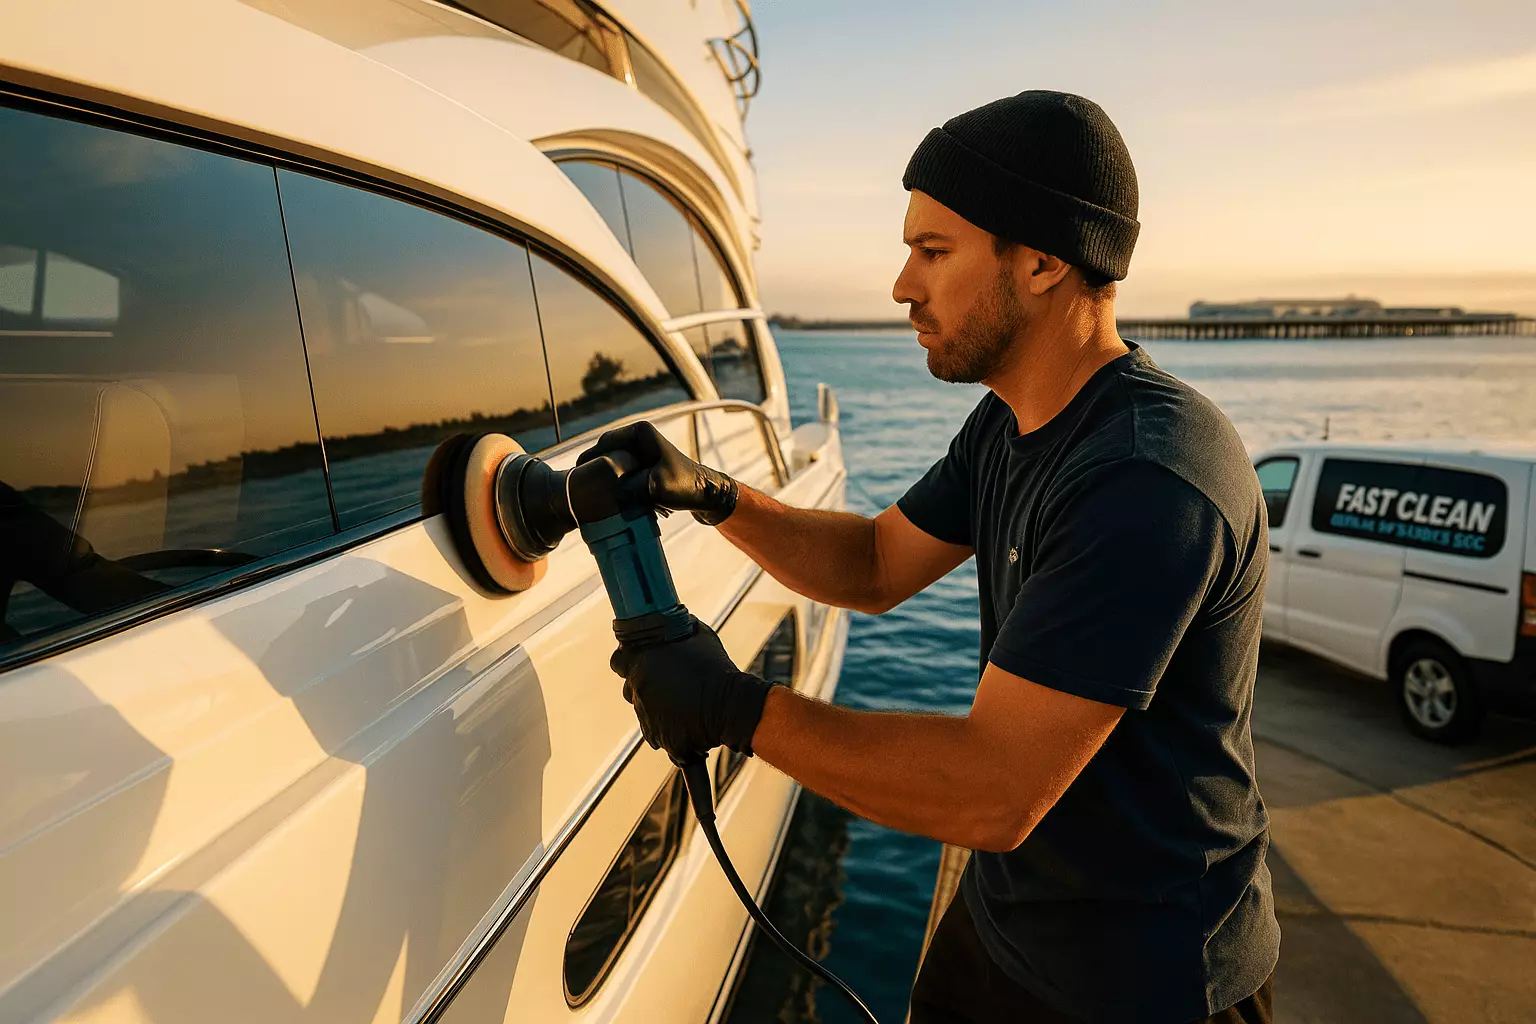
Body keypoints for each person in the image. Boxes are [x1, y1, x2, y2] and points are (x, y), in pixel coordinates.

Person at [589, 90, 1279, 1023]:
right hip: (1006, 926)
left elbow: (994, 789)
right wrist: (712, 495)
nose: (901, 285)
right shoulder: (1010, 423)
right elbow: (875, 564)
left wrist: (735, 708)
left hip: (1145, 980)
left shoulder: (1149, 477)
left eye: (933, 250)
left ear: (1040, 261)